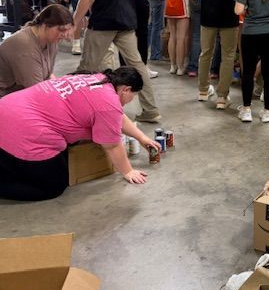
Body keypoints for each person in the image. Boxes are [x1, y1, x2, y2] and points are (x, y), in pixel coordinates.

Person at [0, 67, 161, 201]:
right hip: (21, 127)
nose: (131, 100)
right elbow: (112, 145)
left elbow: (116, 115)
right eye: (133, 96)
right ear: (126, 89)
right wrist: (128, 171)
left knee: (62, 159)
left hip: (9, 107)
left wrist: (141, 137)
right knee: (54, 185)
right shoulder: (109, 102)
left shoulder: (98, 78)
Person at [0, 5, 73, 97]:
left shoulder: (51, 40)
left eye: (67, 30)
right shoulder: (25, 46)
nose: (65, 35)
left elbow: (48, 76)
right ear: (45, 25)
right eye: (61, 30)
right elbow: (37, 92)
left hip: (17, 92)